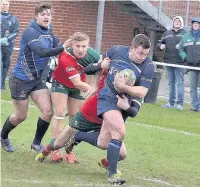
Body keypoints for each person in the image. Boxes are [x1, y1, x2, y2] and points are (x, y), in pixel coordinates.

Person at [35, 60, 141, 184]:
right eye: (121, 78)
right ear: (116, 75)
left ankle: (105, 163)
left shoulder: (136, 92)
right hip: (88, 114)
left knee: (122, 153)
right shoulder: (110, 76)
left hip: (106, 122)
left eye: (126, 82)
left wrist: (126, 107)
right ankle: (45, 151)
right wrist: (101, 66)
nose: (121, 82)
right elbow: (89, 69)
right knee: (59, 143)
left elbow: (134, 111)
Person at [0, 2, 72, 153]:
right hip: (20, 80)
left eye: (49, 14)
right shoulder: (30, 31)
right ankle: (3, 135)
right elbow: (40, 51)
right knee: (21, 116)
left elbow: (61, 48)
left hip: (36, 80)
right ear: (36, 16)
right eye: (43, 14)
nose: (46, 17)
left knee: (47, 111)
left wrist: (76, 51)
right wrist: (61, 48)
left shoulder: (49, 31)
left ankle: (36, 143)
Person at [97, 34, 154, 184]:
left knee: (107, 145)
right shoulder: (116, 50)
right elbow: (102, 61)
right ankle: (112, 176)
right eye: (140, 53)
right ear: (132, 48)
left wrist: (124, 87)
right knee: (119, 132)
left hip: (124, 103)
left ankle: (77, 136)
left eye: (146, 54)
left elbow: (142, 92)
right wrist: (102, 65)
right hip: (107, 98)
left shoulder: (148, 65)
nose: (143, 57)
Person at [50, 32, 101, 163]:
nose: (81, 49)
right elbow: (77, 83)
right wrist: (96, 91)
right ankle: (55, 150)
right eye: (78, 46)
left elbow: (101, 68)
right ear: (72, 44)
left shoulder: (93, 55)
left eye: (84, 46)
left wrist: (96, 83)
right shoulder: (65, 56)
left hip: (78, 86)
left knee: (75, 118)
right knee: (60, 113)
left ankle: (69, 150)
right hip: (62, 83)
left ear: (88, 46)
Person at [159, 16, 186, 110]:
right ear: (173, 22)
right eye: (176, 21)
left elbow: (188, 46)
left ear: (181, 23)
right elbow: (159, 43)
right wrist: (161, 45)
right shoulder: (167, 33)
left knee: (180, 83)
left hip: (180, 62)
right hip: (168, 61)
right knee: (171, 83)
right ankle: (171, 102)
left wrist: (182, 46)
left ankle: (180, 104)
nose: (177, 22)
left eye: (179, 21)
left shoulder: (185, 33)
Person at [179, 17, 200, 112]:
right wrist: (185, 57)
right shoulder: (186, 36)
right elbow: (180, 49)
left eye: (197, 23)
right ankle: (195, 107)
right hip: (191, 66)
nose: (195, 25)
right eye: (194, 23)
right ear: (192, 25)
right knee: (193, 88)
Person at [0, 0, 19, 91]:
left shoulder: (13, 19)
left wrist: (6, 39)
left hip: (7, 45)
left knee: (5, 65)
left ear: (9, 6)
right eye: (3, 4)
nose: (5, 6)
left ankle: (2, 83)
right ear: (0, 5)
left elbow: (16, 32)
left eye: (6, 4)